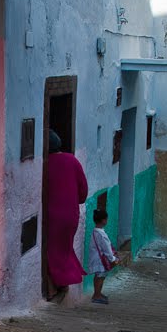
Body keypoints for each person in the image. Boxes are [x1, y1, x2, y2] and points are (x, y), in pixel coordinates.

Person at [46, 129, 88, 300]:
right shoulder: (72, 160)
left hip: (51, 215)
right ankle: (63, 282)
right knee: (64, 248)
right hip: (71, 215)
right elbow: (83, 191)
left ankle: (55, 286)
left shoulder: (45, 163)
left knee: (51, 250)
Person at [88, 209, 119, 304]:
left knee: (98, 277)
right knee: (100, 277)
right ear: (103, 220)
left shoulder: (95, 232)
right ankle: (97, 295)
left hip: (96, 259)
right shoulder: (101, 234)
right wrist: (113, 259)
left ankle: (97, 293)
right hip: (100, 260)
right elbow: (106, 249)